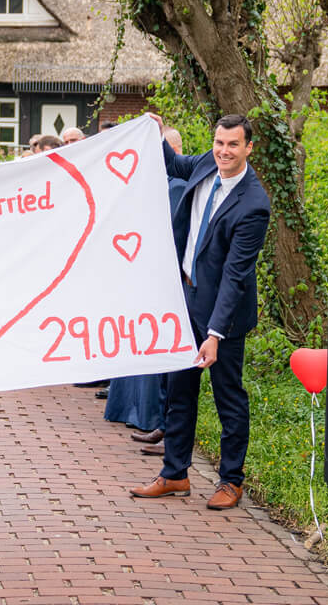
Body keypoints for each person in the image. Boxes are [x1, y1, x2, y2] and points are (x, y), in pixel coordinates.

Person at [129, 113, 270, 511]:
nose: (224, 151)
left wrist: (215, 334)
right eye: (219, 143)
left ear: (248, 148)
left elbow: (235, 276)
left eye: (233, 145)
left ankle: (231, 481)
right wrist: (155, 133)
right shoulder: (207, 162)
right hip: (184, 299)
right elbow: (174, 164)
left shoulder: (254, 205)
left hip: (224, 316)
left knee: (228, 398)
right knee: (179, 392)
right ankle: (174, 473)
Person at [113, 127, 188, 449]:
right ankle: (155, 419)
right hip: (149, 277)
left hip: (171, 282)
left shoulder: (178, 187)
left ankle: (164, 423)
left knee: (167, 358)